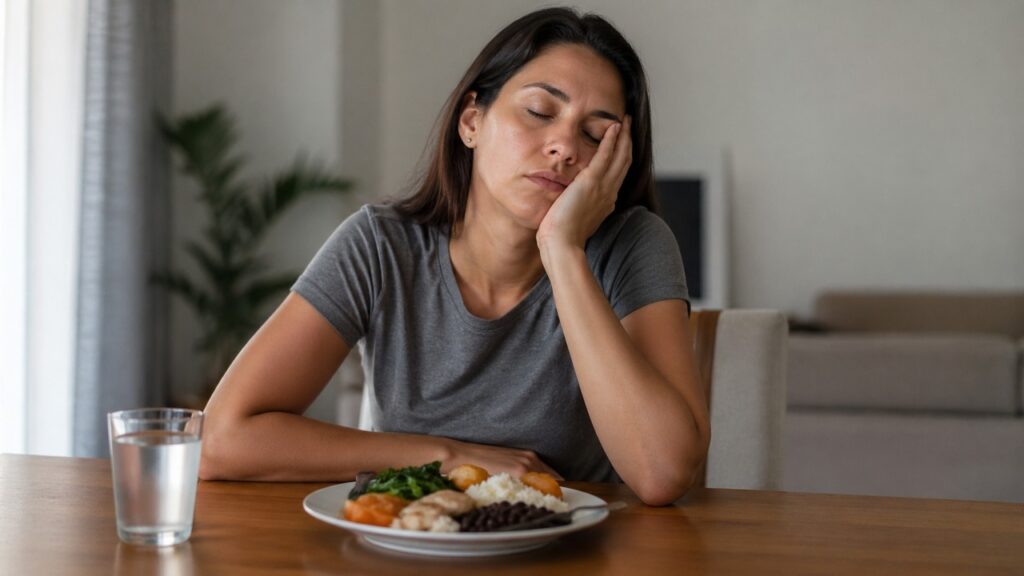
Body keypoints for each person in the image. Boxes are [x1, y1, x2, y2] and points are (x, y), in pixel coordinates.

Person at [200, 7, 709, 506]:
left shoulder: (633, 244)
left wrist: (563, 249)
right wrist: (446, 457)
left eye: (595, 135)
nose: (564, 147)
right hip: (411, 546)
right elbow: (221, 439)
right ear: (471, 121)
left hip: (573, 555)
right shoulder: (378, 247)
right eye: (539, 112)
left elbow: (662, 474)